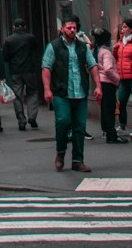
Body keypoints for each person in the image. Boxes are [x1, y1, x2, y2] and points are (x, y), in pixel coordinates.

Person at [41, 15, 102, 171]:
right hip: (61, 92)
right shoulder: (53, 47)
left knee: (79, 126)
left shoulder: (82, 47)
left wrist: (98, 86)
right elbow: (46, 68)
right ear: (62, 29)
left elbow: (93, 65)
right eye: (69, 27)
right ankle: (60, 153)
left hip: (80, 93)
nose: (72, 30)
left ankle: (77, 160)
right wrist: (47, 89)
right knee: (63, 121)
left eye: (74, 27)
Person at [2, 18, 40, 131]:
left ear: (14, 27)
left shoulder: (9, 40)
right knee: (32, 92)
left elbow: (5, 56)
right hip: (29, 70)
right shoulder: (30, 38)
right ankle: (32, 116)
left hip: (15, 71)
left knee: (17, 96)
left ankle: (21, 120)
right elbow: (36, 49)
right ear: (24, 26)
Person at [94, 27, 125, 143]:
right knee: (110, 108)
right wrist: (117, 79)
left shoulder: (99, 51)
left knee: (105, 108)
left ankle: (107, 131)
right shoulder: (106, 52)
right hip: (108, 82)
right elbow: (108, 69)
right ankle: (111, 133)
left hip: (103, 82)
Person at [116, 18, 132, 133]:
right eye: (122, 27)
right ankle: (122, 124)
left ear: (131, 29)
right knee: (121, 101)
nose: (122, 29)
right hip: (123, 77)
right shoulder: (121, 42)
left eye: (125, 27)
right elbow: (117, 57)